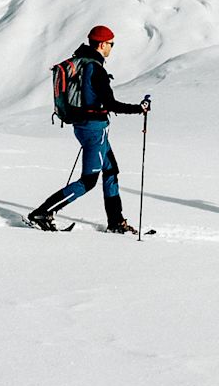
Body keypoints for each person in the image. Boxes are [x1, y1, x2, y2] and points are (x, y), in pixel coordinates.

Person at [27, 25, 151, 234]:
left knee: (111, 170)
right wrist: (139, 109)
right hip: (95, 130)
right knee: (88, 180)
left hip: (86, 126)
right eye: (111, 44)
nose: (112, 48)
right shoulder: (96, 69)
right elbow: (110, 103)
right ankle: (42, 212)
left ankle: (115, 221)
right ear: (102, 44)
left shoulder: (82, 62)